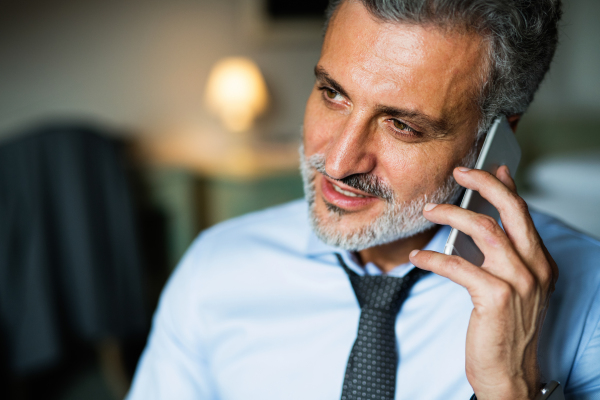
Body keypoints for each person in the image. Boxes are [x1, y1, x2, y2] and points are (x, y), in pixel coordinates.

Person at [127, 0, 600, 399]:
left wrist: (511, 386)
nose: (337, 161)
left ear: (496, 138)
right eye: (333, 94)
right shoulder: (215, 266)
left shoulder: (591, 300)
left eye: (403, 125)